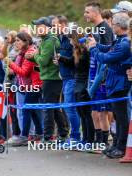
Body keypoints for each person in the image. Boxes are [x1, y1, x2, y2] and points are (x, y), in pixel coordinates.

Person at [87, 13, 131, 158]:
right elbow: (106, 48)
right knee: (118, 116)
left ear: (119, 26)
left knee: (121, 117)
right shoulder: (119, 40)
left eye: (113, 24)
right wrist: (95, 44)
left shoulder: (125, 44)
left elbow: (105, 58)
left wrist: (93, 49)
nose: (111, 27)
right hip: (113, 82)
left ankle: (121, 147)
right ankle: (116, 144)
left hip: (120, 83)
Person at [27, 16, 69, 143]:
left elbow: (43, 61)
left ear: (47, 27)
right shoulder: (45, 40)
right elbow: (41, 59)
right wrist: (32, 57)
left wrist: (35, 54)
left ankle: (48, 136)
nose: (37, 29)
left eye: (40, 27)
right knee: (54, 107)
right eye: (36, 27)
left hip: (52, 79)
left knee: (48, 107)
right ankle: (62, 133)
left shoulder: (50, 40)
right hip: (50, 78)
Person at [84, 1, 114, 146]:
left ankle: (104, 143)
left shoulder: (105, 29)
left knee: (102, 113)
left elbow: (108, 53)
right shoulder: (95, 29)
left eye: (87, 12)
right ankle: (97, 141)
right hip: (93, 74)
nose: (85, 15)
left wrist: (101, 78)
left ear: (96, 13)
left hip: (101, 77)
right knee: (94, 111)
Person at [7, 32, 43, 146]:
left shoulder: (29, 52)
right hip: (31, 85)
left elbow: (24, 72)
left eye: (18, 40)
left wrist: (10, 64)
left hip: (35, 85)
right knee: (31, 110)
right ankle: (39, 133)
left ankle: (24, 136)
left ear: (25, 41)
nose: (15, 43)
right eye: (15, 40)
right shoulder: (23, 52)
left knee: (26, 109)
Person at [52, 16, 81, 143]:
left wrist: (61, 58)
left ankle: (75, 136)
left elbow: (76, 61)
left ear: (63, 24)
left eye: (54, 25)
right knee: (67, 108)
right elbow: (66, 59)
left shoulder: (72, 37)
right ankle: (73, 135)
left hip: (72, 78)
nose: (53, 28)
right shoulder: (60, 38)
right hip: (64, 78)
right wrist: (59, 61)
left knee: (70, 108)